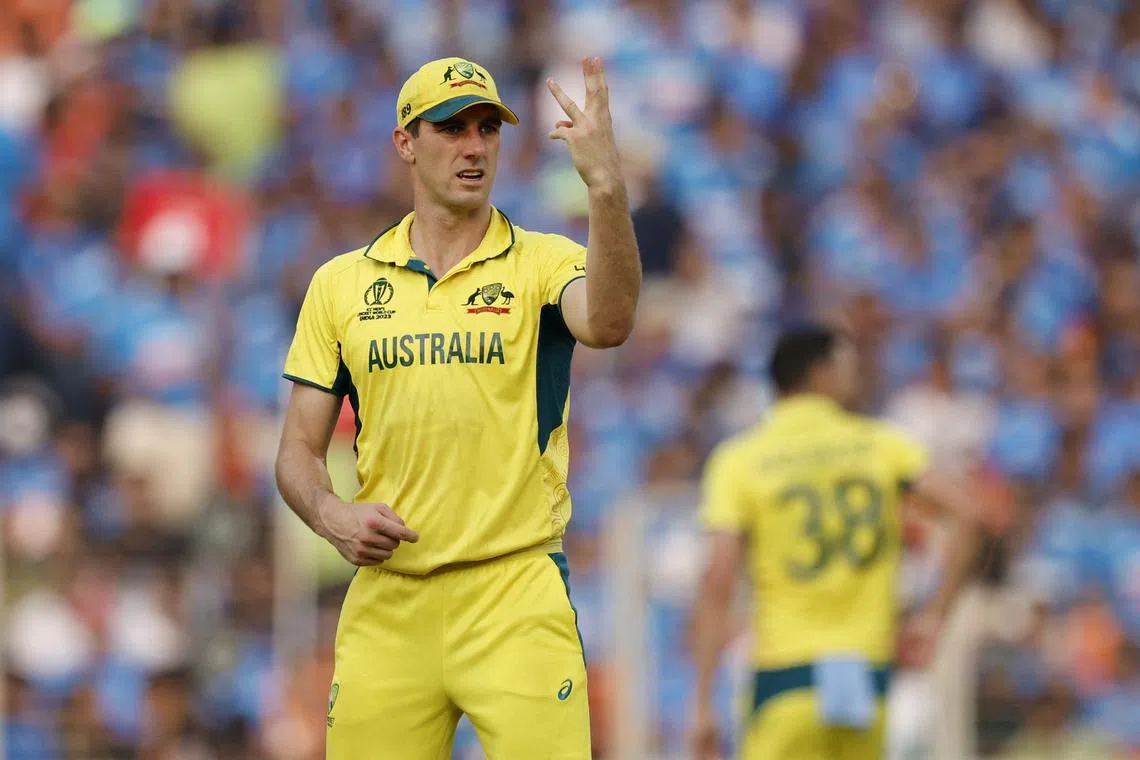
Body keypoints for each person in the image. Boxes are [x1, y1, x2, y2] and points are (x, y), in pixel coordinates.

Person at [274, 56, 640, 759]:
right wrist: (332, 516)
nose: (473, 146)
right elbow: (298, 452)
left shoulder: (540, 263)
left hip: (514, 592)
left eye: (486, 129)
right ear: (405, 142)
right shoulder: (341, 285)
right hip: (390, 597)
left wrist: (606, 187)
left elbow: (612, 320)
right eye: (450, 128)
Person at [687, 325, 982, 760]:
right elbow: (969, 515)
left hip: (784, 677)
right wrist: (935, 615)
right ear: (819, 373)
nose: (856, 377)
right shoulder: (882, 445)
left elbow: (719, 578)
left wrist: (702, 701)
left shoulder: (740, 460)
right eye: (847, 366)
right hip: (865, 679)